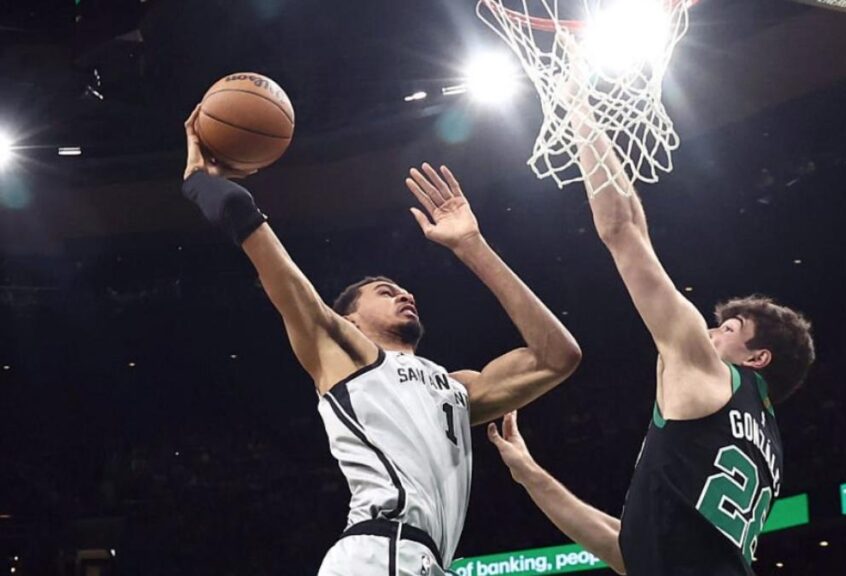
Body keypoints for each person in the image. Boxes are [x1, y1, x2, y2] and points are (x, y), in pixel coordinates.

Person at [180, 106, 582, 576]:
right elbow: (254, 233)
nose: (404, 294)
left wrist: (472, 246)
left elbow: (558, 357)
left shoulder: (455, 388)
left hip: (422, 561)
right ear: (348, 318)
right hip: (379, 552)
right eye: (385, 291)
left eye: (403, 290)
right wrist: (200, 182)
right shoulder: (343, 353)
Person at [487, 43, 816, 575]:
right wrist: (530, 475)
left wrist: (576, 105)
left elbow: (621, 231)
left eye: (727, 328)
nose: (710, 332)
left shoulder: (708, 371)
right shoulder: (766, 442)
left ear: (757, 358)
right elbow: (629, 552)